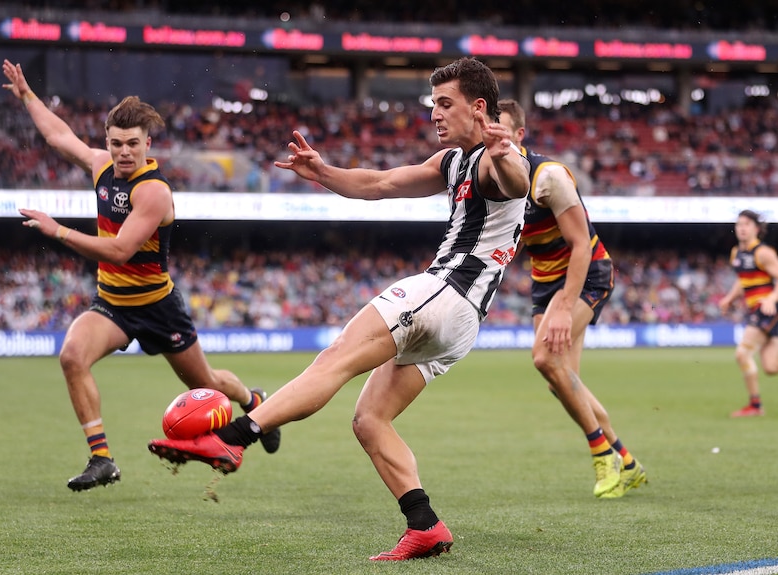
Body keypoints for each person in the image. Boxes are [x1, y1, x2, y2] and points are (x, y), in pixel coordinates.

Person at [148, 57, 530, 561]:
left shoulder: (491, 158)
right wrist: (322, 171)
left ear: (479, 107)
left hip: (445, 292)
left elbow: (516, 180)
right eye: (432, 104)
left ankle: (236, 436)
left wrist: (505, 152)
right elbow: (379, 185)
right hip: (461, 320)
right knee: (370, 419)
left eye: (445, 103)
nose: (434, 114)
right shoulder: (453, 162)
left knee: (336, 358)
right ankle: (425, 525)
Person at [1, 59, 280, 491]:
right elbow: (59, 136)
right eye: (115, 144)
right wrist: (27, 95)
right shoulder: (101, 167)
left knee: (207, 384)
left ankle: (253, 400)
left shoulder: (153, 191)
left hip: (158, 307)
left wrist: (57, 230)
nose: (123, 152)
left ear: (148, 143)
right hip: (112, 304)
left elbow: (119, 249)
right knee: (72, 356)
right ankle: (102, 459)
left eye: (132, 143)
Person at [497, 99, 646, 499]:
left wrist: (564, 307)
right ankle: (627, 461)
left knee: (545, 358)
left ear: (519, 136)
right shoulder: (492, 179)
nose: (493, 136)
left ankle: (604, 454)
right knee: (562, 380)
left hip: (587, 273)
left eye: (502, 129)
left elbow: (580, 245)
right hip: (545, 282)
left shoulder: (549, 176)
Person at [718, 209, 778, 417]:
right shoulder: (737, 253)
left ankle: (755, 406)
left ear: (756, 229)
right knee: (771, 367)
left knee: (742, 353)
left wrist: (771, 298)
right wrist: (729, 298)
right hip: (758, 310)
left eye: (746, 224)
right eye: (739, 224)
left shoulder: (763, 253)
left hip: (769, 309)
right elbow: (742, 280)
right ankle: (755, 406)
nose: (741, 228)